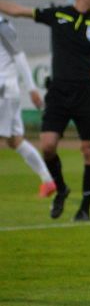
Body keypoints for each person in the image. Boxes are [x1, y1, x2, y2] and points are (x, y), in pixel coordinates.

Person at [0, 0, 90, 221]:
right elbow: (17, 11)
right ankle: (61, 188)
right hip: (58, 92)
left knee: (88, 149)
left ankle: (84, 209)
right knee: (47, 145)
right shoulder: (59, 15)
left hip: (88, 94)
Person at [0, 14, 56, 198]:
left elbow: (20, 56)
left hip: (3, 90)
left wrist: (32, 88)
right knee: (14, 140)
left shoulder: (2, 25)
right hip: (9, 90)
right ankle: (48, 181)